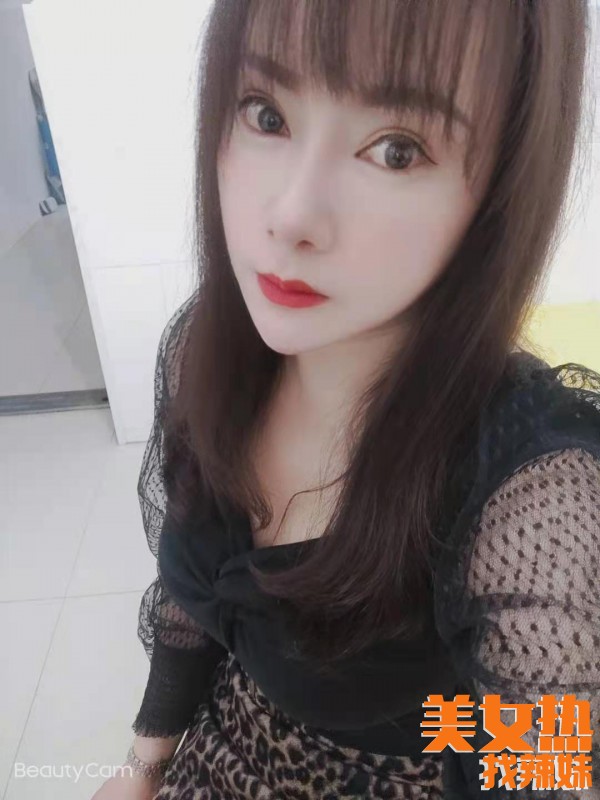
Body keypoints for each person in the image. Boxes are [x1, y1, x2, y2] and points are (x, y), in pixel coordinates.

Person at [92, 1, 600, 798]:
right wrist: (142, 767)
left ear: (500, 190)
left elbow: (542, 763)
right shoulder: (206, 351)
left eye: (396, 150)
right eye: (265, 113)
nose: (291, 214)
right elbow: (187, 601)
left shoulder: (533, 499)